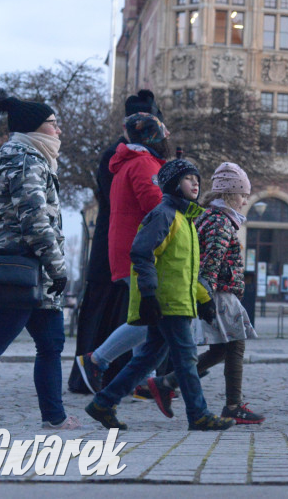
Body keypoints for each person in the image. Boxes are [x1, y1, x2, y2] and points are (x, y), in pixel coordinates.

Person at [86, 159, 234, 431]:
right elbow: (142, 254)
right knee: (187, 359)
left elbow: (185, 271)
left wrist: (204, 300)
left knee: (147, 359)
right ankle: (198, 414)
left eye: (196, 179)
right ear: (172, 184)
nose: (195, 183)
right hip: (167, 304)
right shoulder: (164, 214)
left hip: (178, 302)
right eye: (188, 178)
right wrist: (149, 295)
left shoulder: (186, 219)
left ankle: (103, 403)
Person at [0, 90, 79, 429]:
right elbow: (34, 219)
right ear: (34, 128)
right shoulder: (26, 161)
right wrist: (58, 266)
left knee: (50, 344)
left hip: (35, 273)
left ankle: (55, 418)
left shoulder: (30, 158)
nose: (58, 131)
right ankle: (55, 417)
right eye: (53, 125)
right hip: (22, 270)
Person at [146, 162, 265, 424]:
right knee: (235, 346)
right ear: (231, 194)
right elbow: (210, 263)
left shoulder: (212, 216)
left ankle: (167, 382)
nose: (245, 202)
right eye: (243, 195)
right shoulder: (220, 221)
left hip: (218, 292)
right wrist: (206, 298)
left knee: (223, 349)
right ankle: (232, 405)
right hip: (220, 294)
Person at [70, 90, 164, 393]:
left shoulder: (123, 155)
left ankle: (135, 379)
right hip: (131, 245)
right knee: (145, 318)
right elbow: (152, 204)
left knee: (141, 315)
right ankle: (102, 364)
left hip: (120, 242)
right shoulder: (135, 160)